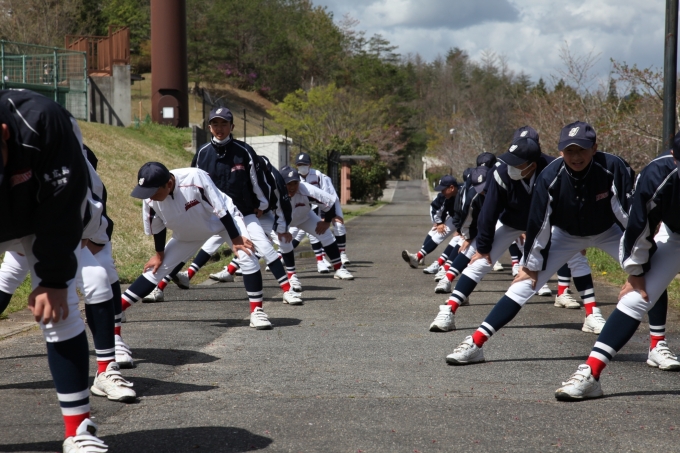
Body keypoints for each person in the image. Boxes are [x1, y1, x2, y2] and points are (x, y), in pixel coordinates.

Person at [445, 121, 632, 365]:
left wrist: (637, 265)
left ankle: (655, 344)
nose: (576, 156)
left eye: (582, 150)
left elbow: (629, 215)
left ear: (594, 148)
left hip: (609, 231)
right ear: (561, 151)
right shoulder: (550, 174)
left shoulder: (613, 166)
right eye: (570, 150)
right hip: (564, 233)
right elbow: (539, 221)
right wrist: (530, 263)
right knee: (523, 283)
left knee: (648, 275)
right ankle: (476, 342)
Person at [0, 89, 108, 451]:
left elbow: (64, 206)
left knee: (60, 310)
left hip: (40, 213)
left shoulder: (41, 120)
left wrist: (53, 279)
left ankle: (79, 429)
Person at [432, 130, 599, 332]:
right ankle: (449, 310)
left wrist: (576, 233)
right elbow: (489, 212)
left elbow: (569, 203)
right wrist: (483, 247)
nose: (510, 166)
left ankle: (591, 314)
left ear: (532, 163)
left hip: (547, 222)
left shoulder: (554, 167)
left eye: (517, 163)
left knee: (577, 259)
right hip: (511, 222)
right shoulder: (500, 171)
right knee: (480, 261)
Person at [555, 141, 680, 401]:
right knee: (636, 296)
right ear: (674, 158)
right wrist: (637, 272)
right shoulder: (658, 174)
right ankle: (591, 373)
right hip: (676, 235)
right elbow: (640, 227)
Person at [119, 162, 276, 330]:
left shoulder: (194, 177)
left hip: (223, 223)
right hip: (188, 233)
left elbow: (221, 209)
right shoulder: (149, 197)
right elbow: (157, 227)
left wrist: (236, 239)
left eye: (153, 191)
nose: (149, 196)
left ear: (169, 183)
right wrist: (159, 254)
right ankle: (117, 310)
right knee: (154, 270)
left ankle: (257, 311)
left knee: (246, 254)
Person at [277, 166, 354, 281]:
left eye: (295, 183)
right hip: (280, 221)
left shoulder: (306, 189)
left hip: (304, 217)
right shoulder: (274, 192)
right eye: (288, 184)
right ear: (281, 183)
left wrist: (326, 222)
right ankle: (291, 277)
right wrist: (282, 230)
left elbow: (330, 202)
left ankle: (339, 268)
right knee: (284, 242)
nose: (292, 187)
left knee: (326, 234)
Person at [293, 152, 351, 271]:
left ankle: (342, 254)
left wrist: (327, 217)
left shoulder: (318, 175)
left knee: (338, 225)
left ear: (310, 164)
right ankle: (321, 259)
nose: (302, 167)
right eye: (299, 165)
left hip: (328, 203)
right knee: (311, 231)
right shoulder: (294, 177)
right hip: (309, 206)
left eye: (304, 164)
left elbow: (326, 196)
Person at [402, 175, 460, 268]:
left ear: (452, 188)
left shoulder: (465, 192)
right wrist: (439, 223)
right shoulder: (443, 196)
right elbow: (435, 208)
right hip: (455, 217)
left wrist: (460, 229)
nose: (441, 192)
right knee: (438, 231)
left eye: (443, 189)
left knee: (456, 237)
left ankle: (420, 258)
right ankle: (418, 258)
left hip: (471, 220)